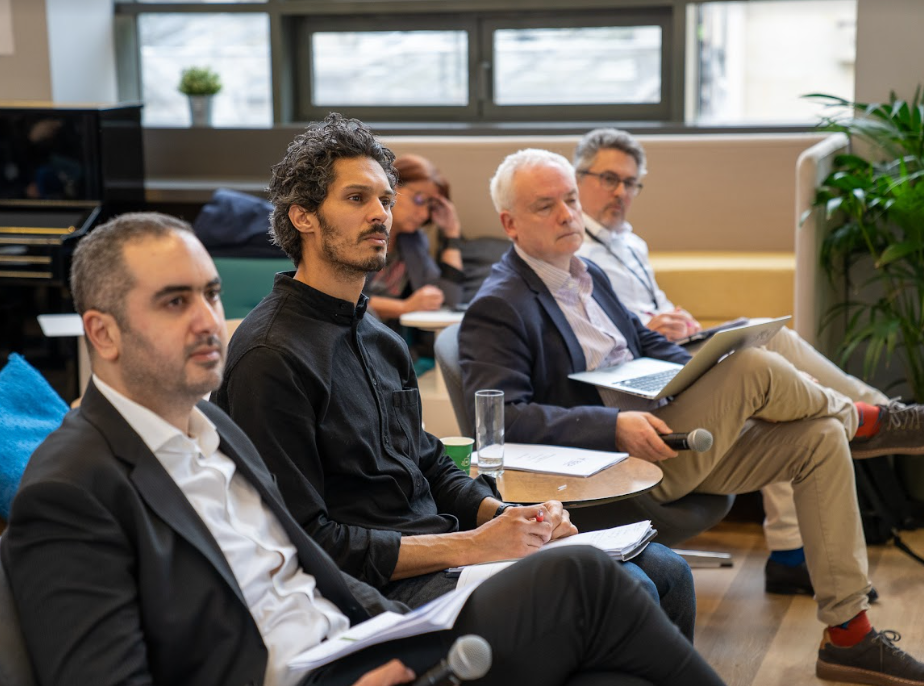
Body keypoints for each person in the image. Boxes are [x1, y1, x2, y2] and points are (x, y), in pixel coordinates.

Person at [0, 210, 727, 686]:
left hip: (368, 643)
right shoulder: (72, 490)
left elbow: (312, 564)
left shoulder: (212, 425)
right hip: (322, 676)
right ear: (102, 333)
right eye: (173, 301)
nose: (208, 321)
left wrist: (398, 624)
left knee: (616, 667)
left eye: (211, 294)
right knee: (586, 581)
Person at [458, 148, 924, 686]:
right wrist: (612, 426)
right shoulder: (499, 304)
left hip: (675, 434)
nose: (566, 214)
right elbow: (502, 417)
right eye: (545, 206)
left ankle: (850, 636)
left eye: (571, 200)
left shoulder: (587, 273)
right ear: (509, 222)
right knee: (754, 368)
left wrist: (704, 359)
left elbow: (642, 343)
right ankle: (874, 423)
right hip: (618, 465)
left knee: (818, 434)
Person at [214, 113, 698, 641]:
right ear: (303, 217)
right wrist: (477, 545)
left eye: (385, 199)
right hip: (382, 586)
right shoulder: (270, 356)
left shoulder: (377, 336)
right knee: (626, 591)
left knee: (669, 572)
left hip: (445, 549)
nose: (381, 215)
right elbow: (309, 542)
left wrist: (510, 515)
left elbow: (430, 463)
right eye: (357, 199)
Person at [571, 127, 924, 599]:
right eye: (609, 179)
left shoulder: (628, 242)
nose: (620, 192)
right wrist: (656, 324)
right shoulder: (578, 255)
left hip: (666, 359)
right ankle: (884, 419)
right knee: (766, 359)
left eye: (631, 183)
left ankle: (796, 547)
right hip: (642, 389)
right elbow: (610, 339)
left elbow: (646, 318)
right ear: (578, 176)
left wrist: (676, 321)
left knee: (775, 352)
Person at [364, 154, 465, 322]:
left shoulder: (414, 241)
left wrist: (452, 234)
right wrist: (404, 307)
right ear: (391, 187)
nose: (424, 213)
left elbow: (449, 299)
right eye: (419, 199)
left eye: (430, 206)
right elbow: (343, 298)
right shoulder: (362, 230)